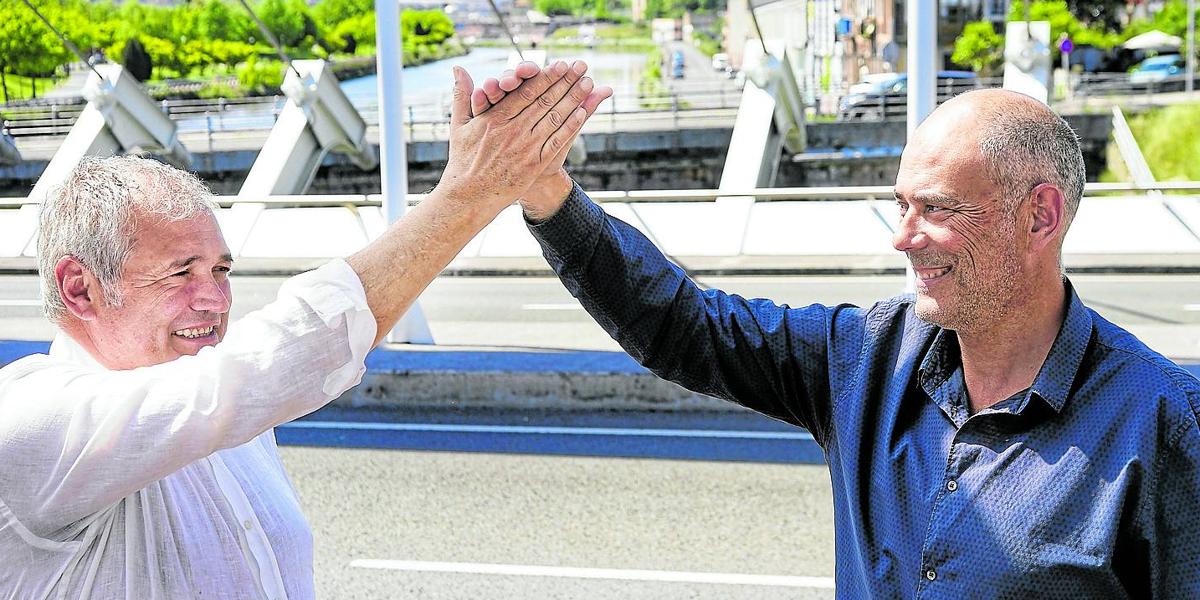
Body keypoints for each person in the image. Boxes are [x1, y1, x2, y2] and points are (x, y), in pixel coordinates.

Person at [494, 74, 1200, 596]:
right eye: (900, 204)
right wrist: (546, 193)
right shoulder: (863, 358)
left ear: (1040, 217)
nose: (903, 237)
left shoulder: (1164, 423)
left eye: (936, 208)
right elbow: (684, 325)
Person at [0, 60, 612, 597]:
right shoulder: (33, 420)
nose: (212, 299)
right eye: (179, 273)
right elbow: (275, 358)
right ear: (81, 288)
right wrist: (469, 195)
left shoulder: (231, 422)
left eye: (219, 269)